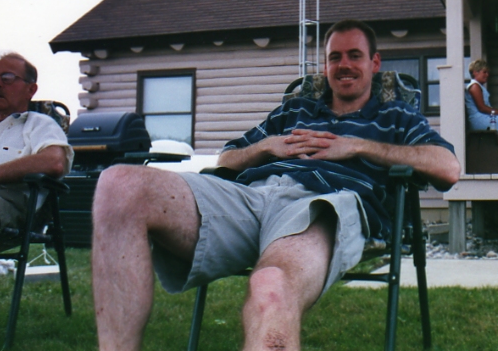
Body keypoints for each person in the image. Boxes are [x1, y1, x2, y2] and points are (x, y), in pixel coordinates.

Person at [91, 19, 461, 351]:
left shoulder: (396, 115)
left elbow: (448, 168)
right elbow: (226, 159)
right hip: (252, 198)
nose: (344, 65)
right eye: (334, 57)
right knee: (119, 183)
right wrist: (266, 146)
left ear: (374, 63)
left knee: (271, 287)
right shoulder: (295, 110)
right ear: (325, 65)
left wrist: (358, 147)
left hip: (321, 205)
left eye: (355, 55)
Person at [0, 53, 74, 251]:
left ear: (30, 89)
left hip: (9, 204)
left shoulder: (39, 124)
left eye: (7, 78)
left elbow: (54, 162)